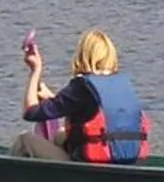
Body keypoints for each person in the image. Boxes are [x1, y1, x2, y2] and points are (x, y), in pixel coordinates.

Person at [10, 29, 149, 164]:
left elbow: (30, 112)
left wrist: (36, 70)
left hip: (87, 166)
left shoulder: (81, 87)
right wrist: (51, 97)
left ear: (82, 55)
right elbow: (89, 111)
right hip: (121, 158)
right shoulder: (121, 85)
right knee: (59, 135)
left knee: (24, 140)